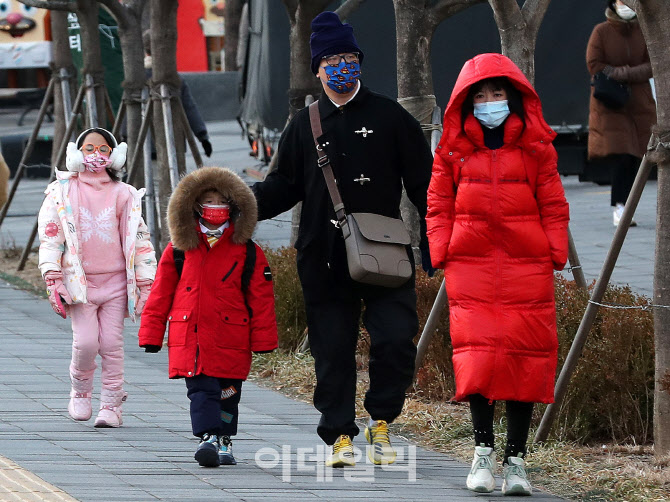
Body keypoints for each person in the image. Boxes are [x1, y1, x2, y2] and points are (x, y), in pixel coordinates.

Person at [252, 11, 434, 468]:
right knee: (332, 351)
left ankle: (382, 421)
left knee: (395, 340)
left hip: (387, 253)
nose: (341, 66)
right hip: (324, 257)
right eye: (331, 59)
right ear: (317, 69)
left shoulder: (391, 116)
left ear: (360, 61)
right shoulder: (303, 124)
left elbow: (424, 184)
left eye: (349, 57)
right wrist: (234, 205)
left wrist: (435, 241)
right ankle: (339, 436)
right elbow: (282, 187)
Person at [427, 53, 569, 495]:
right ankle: (483, 453)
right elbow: (437, 203)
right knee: (479, 356)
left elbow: (553, 202)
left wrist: (553, 252)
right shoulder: (453, 150)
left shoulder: (535, 147)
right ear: (466, 104)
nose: (490, 102)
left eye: (498, 93)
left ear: (514, 97)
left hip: (526, 265)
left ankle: (517, 461)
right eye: (481, 96)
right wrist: (443, 250)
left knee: (525, 356)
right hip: (471, 265)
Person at [138, 166, 278, 468]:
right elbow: (160, 293)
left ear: (235, 206)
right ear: (195, 205)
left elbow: (261, 298)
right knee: (201, 390)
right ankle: (207, 437)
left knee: (228, 393)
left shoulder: (248, 252)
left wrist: (264, 339)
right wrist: (151, 334)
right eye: (208, 201)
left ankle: (225, 438)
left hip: (232, 337)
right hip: (192, 337)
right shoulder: (179, 250)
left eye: (222, 201)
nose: (215, 207)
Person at [37, 127, 157, 427]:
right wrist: (53, 277)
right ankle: (80, 391)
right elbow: (51, 237)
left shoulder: (124, 194)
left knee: (112, 345)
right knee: (86, 343)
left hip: (117, 284)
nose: (96, 155)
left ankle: (112, 405)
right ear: (76, 154)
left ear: (114, 156)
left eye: (103, 149)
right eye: (89, 148)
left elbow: (140, 240)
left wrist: (145, 281)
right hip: (81, 285)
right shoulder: (62, 192)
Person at [586, 0, 656, 226]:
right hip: (612, 102)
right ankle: (620, 207)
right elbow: (595, 64)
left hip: (640, 103)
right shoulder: (602, 31)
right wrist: (621, 74)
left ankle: (626, 205)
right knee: (623, 155)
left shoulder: (644, 30)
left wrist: (625, 73)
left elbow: (652, 64)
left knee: (638, 155)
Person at [141, 30, 212, 158]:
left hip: (145, 145)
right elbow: (190, 108)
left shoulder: (138, 79)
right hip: (175, 142)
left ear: (145, 51)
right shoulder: (176, 80)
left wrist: (123, 137)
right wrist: (203, 137)